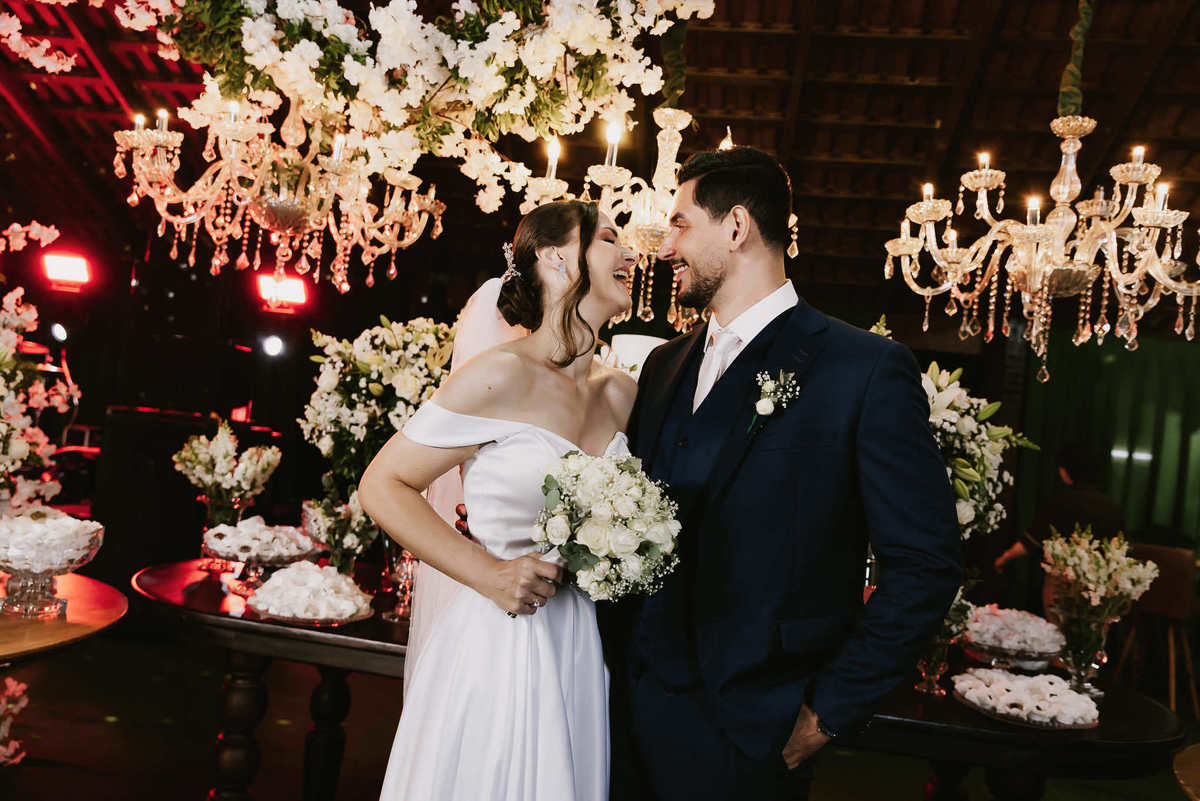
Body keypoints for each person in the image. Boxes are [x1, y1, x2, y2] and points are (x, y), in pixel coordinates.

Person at [602, 147, 964, 801]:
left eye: (680, 224)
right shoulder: (663, 364)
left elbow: (925, 565)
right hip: (626, 718)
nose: (665, 248)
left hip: (751, 738)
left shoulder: (863, 370)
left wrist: (825, 714)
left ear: (737, 227)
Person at [358, 199, 638, 801]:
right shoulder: (500, 375)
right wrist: (488, 573)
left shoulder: (621, 394)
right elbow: (382, 485)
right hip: (499, 641)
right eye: (610, 238)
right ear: (556, 257)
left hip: (579, 642)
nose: (632, 254)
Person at [994, 443, 1127, 611]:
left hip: (1063, 585)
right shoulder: (1111, 507)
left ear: (1065, 471)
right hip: (1101, 585)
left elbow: (1033, 539)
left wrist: (1004, 558)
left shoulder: (1062, 501)